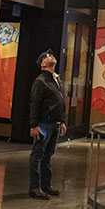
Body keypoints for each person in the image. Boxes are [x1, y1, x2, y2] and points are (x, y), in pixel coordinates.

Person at [29, 50, 67, 200]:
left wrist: (61, 121)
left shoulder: (55, 80)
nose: (50, 56)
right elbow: (35, 103)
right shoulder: (40, 81)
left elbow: (59, 102)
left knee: (48, 155)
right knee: (38, 155)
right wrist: (34, 125)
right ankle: (34, 187)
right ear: (42, 64)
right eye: (46, 56)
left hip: (54, 124)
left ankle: (45, 185)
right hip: (44, 123)